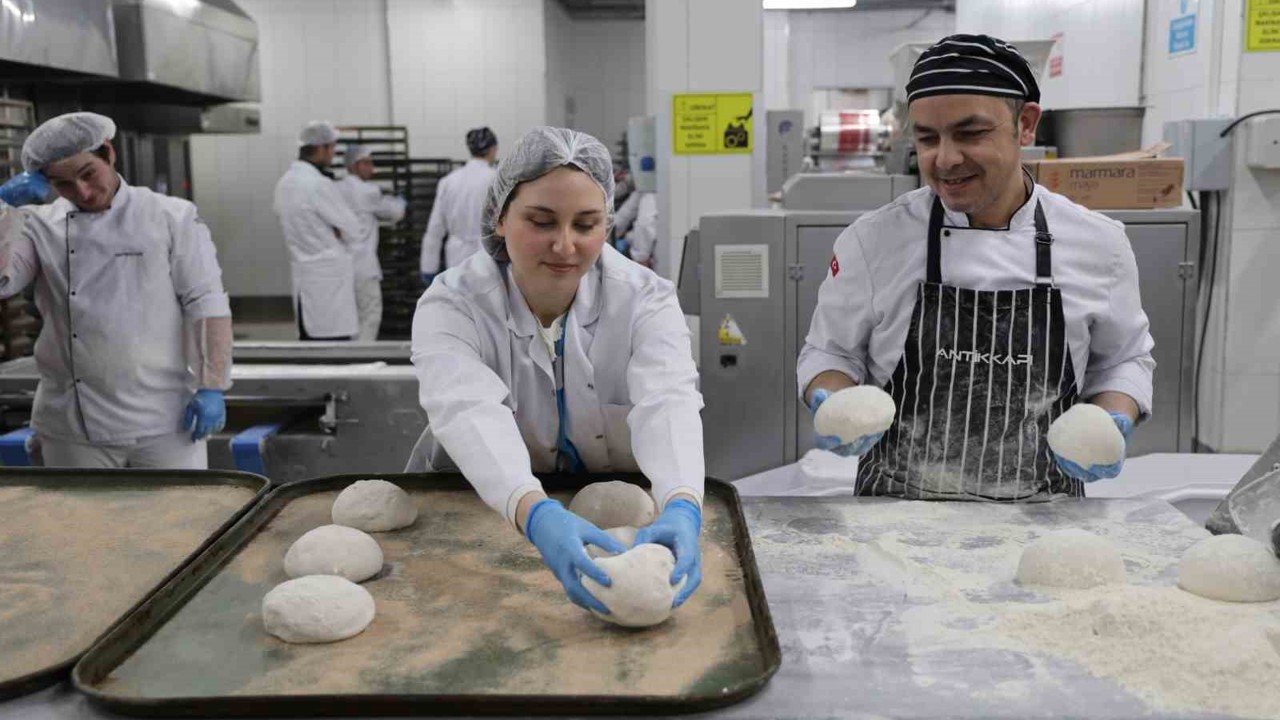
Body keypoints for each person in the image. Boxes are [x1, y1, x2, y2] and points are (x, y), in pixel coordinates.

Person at [799, 34, 1155, 500]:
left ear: (1025, 124)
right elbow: (829, 353)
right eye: (927, 138)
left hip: (1046, 517)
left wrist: (1113, 418)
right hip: (895, 516)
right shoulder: (874, 241)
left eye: (970, 134)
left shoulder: (1099, 244)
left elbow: (1123, 359)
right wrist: (832, 398)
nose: (945, 159)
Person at [407, 127, 704, 615]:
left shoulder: (645, 299)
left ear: (608, 224)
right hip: (476, 504)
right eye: (541, 221)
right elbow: (467, 409)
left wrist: (682, 502)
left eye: (586, 225)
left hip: (615, 517)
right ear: (500, 217)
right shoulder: (453, 303)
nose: (565, 246)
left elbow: (668, 399)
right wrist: (535, 512)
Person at [0, 112, 231, 468]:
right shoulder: (37, 224)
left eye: (88, 174)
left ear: (108, 152)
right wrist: (3, 208)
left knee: (180, 507)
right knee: (79, 509)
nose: (82, 192)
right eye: (63, 184)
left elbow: (205, 302)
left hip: (164, 418)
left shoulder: (170, 216)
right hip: (71, 424)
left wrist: (211, 385)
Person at [273, 121, 364, 341]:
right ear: (320, 148)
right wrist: (337, 232)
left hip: (304, 277)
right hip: (330, 280)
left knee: (310, 345)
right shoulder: (318, 184)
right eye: (331, 148)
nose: (333, 154)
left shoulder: (284, 183)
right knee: (333, 346)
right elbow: (353, 228)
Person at [333, 144, 407, 341]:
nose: (371, 167)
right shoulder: (368, 191)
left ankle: (348, 354)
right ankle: (362, 355)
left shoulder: (336, 188)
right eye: (366, 163)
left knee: (349, 316)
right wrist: (399, 202)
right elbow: (395, 213)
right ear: (353, 166)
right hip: (363, 264)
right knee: (370, 313)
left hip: (340, 264)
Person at [420, 127, 498, 286]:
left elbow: (435, 228)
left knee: (458, 299)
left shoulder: (448, 181)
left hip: (456, 257)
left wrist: (428, 266)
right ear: (492, 149)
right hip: (487, 257)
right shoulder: (496, 179)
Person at [612, 189, 657, 269]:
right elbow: (625, 213)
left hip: (648, 254)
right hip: (638, 247)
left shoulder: (652, 193)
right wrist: (609, 232)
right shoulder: (645, 189)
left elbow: (644, 224)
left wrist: (641, 258)